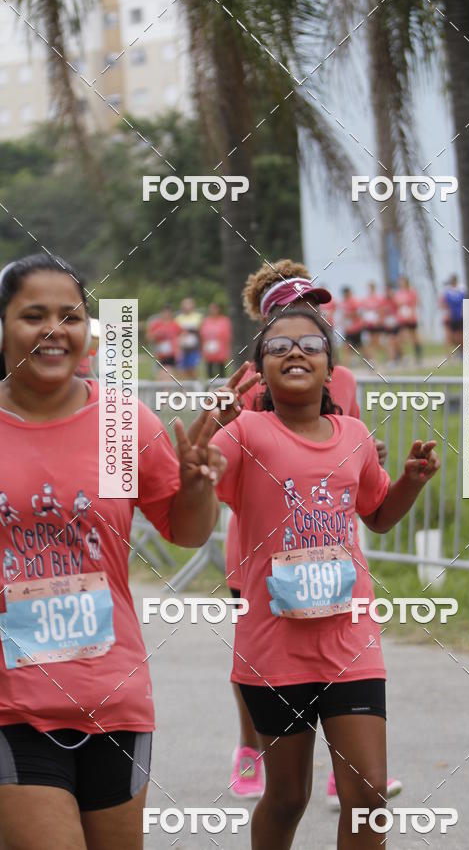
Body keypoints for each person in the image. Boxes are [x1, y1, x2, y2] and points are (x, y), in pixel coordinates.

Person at [0, 254, 229, 850]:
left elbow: (185, 530)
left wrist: (198, 485)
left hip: (115, 699)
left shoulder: (122, 425)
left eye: (70, 316)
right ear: (2, 327)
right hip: (11, 705)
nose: (55, 330)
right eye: (33, 315)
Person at [210, 307, 440, 849]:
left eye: (311, 344)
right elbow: (193, 487)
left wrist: (409, 481)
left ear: (330, 367)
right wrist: (209, 439)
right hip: (274, 648)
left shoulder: (355, 435)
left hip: (350, 640)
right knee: (289, 796)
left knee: (371, 792)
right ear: (259, 371)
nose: (295, 352)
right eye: (278, 346)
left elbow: (378, 515)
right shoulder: (245, 433)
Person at [225, 259, 400, 808]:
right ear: (265, 328)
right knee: (286, 795)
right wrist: (213, 424)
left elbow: (354, 463)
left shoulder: (340, 378)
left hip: (338, 582)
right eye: (285, 322)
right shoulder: (249, 391)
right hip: (264, 555)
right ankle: (249, 747)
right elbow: (206, 472)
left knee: (365, 791)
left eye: (315, 314)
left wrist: (379, 460)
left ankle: (343, 763)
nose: (303, 329)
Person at [146, 305, 182, 381]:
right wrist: (156, 334)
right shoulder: (156, 325)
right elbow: (148, 337)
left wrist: (178, 347)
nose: (166, 315)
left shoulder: (174, 324)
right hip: (161, 355)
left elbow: (183, 335)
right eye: (164, 313)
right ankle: (164, 390)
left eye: (168, 313)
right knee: (162, 375)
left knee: (170, 373)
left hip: (172, 354)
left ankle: (167, 390)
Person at [200, 302, 232, 380]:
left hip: (220, 351)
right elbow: (202, 335)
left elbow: (227, 335)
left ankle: (221, 388)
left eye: (215, 308)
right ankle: (210, 389)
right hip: (209, 351)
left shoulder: (224, 320)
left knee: (221, 372)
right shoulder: (206, 321)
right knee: (209, 371)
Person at [395, 276, 422, 363]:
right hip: (402, 319)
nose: (400, 283)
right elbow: (397, 305)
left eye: (402, 281)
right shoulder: (398, 293)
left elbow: (415, 303)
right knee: (401, 338)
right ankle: (403, 356)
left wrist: (411, 315)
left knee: (414, 337)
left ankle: (418, 356)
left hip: (411, 318)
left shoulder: (412, 292)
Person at [175, 297, 202, 380]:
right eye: (185, 305)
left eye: (188, 304)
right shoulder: (178, 318)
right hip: (182, 348)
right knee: (181, 370)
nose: (187, 307)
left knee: (192, 369)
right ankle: (185, 389)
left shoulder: (198, 317)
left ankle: (196, 386)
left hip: (194, 348)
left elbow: (200, 331)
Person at [440, 275, 465, 354]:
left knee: (459, 337)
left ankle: (461, 352)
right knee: (448, 337)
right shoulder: (447, 292)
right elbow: (442, 304)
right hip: (450, 317)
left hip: (459, 316)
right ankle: (448, 355)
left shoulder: (461, 291)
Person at [338, 286, 363, 365]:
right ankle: (345, 365)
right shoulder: (343, 302)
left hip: (356, 328)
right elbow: (342, 315)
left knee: (360, 347)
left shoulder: (355, 301)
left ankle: (371, 360)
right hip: (348, 329)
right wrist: (342, 322)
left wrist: (349, 315)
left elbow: (358, 313)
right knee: (346, 347)